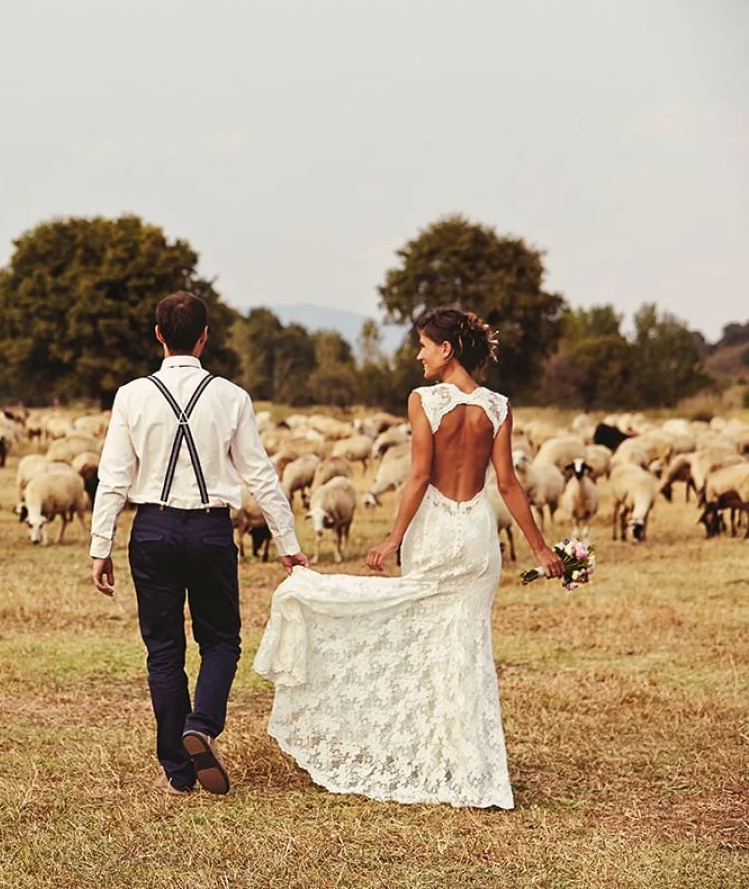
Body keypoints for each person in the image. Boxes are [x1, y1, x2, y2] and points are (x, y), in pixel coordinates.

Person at [253, 306, 563, 810]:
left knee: (424, 635)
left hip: (435, 529)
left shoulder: (424, 401)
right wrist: (541, 548)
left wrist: (394, 537)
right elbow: (507, 484)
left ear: (447, 349)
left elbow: (418, 475)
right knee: (467, 646)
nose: (418, 354)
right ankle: (471, 764)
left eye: (423, 344)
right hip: (477, 534)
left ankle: (436, 755)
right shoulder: (499, 406)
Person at [90, 291, 309, 797]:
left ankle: (178, 769)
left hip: (152, 529)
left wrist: (100, 544)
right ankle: (201, 725)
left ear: (158, 334)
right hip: (212, 530)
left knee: (163, 650)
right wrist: (287, 542)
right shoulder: (232, 397)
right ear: (205, 336)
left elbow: (114, 477)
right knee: (221, 640)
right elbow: (261, 474)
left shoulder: (131, 395)